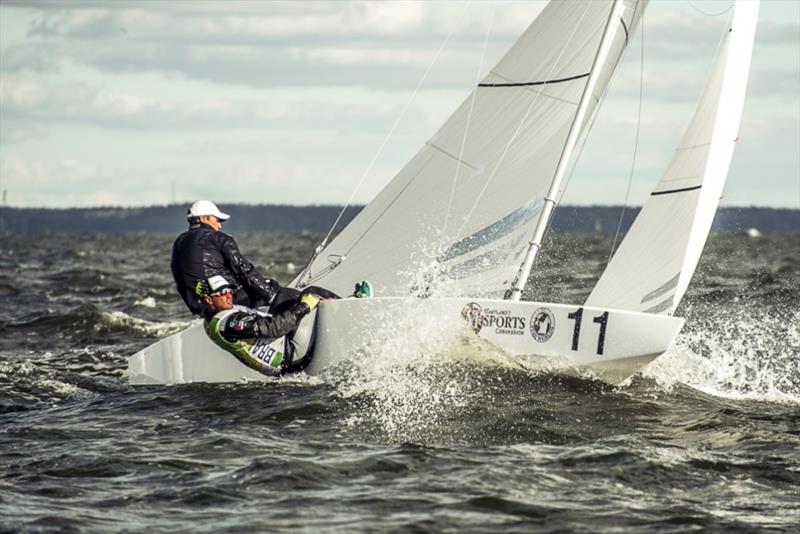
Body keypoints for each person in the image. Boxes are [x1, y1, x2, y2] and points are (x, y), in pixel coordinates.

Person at [198, 275, 336, 376]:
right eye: (222, 293)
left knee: (282, 294)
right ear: (209, 299)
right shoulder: (228, 324)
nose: (229, 296)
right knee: (310, 292)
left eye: (229, 290)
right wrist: (305, 306)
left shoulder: (215, 313)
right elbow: (274, 328)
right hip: (291, 356)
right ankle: (349, 305)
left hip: (282, 348)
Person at [171, 200, 281, 316]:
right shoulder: (219, 238)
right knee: (268, 285)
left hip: (199, 307)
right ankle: (260, 323)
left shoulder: (179, 242)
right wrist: (272, 296)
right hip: (224, 302)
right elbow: (244, 270)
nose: (219, 226)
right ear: (204, 219)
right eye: (217, 220)